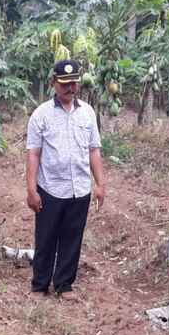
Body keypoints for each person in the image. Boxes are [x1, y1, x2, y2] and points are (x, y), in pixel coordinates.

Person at [25, 59, 107, 300]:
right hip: (51, 187)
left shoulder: (88, 113)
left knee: (72, 238)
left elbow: (94, 150)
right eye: (64, 84)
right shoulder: (41, 114)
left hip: (79, 188)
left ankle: (64, 284)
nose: (70, 88)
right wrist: (31, 190)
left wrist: (101, 184)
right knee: (46, 237)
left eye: (73, 83)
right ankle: (40, 285)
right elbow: (34, 153)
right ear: (53, 83)